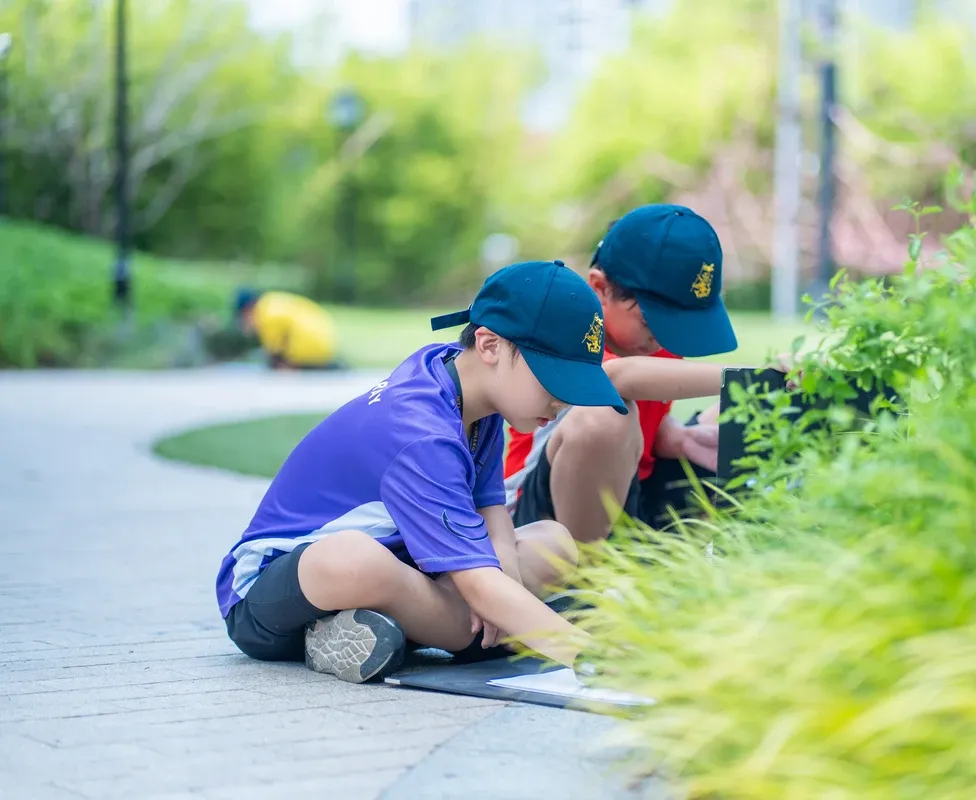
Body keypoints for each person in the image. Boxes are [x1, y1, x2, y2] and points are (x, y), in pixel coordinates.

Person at [215, 261, 626, 683]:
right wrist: (586, 653)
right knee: (355, 558)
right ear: (488, 346)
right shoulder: (421, 431)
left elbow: (491, 512)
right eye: (554, 379)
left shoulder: (467, 388)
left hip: (403, 566)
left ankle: (365, 630)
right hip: (273, 594)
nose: (563, 400)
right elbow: (477, 580)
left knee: (553, 543)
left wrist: (508, 589)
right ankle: (480, 636)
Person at [504, 204, 752, 543]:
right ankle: (581, 584)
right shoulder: (566, 328)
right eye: (655, 322)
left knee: (744, 408)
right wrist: (749, 376)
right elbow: (617, 379)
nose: (665, 339)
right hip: (542, 519)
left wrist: (680, 438)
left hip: (634, 497)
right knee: (607, 414)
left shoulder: (651, 342)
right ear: (600, 289)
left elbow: (646, 426)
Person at [234, 287, 341, 370]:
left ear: (247, 310)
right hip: (324, 345)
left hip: (307, 352)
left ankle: (292, 368)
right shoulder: (270, 302)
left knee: (273, 364)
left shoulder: (264, 313)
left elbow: (274, 350)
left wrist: (281, 364)